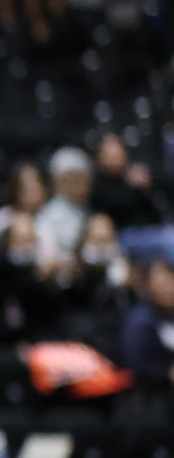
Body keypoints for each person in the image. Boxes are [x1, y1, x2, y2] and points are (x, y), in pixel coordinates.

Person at [89, 131, 164, 230]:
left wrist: (145, 187)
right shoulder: (97, 183)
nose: (114, 160)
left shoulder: (131, 177)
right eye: (109, 155)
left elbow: (154, 210)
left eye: (116, 155)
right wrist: (136, 188)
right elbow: (118, 205)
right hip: (119, 231)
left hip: (150, 229)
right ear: (99, 157)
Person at [121, 257, 174, 386]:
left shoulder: (169, 314)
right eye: (160, 285)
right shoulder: (139, 322)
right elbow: (136, 363)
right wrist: (165, 372)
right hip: (152, 390)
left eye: (169, 282)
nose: (166, 289)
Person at [37, 147, 93, 263]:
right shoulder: (49, 215)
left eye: (81, 179)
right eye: (71, 179)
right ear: (57, 181)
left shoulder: (88, 211)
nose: (77, 185)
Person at [0, 161, 50, 250]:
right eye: (26, 188)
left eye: (35, 186)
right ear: (15, 190)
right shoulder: (1, 217)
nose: (33, 192)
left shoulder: (47, 218)